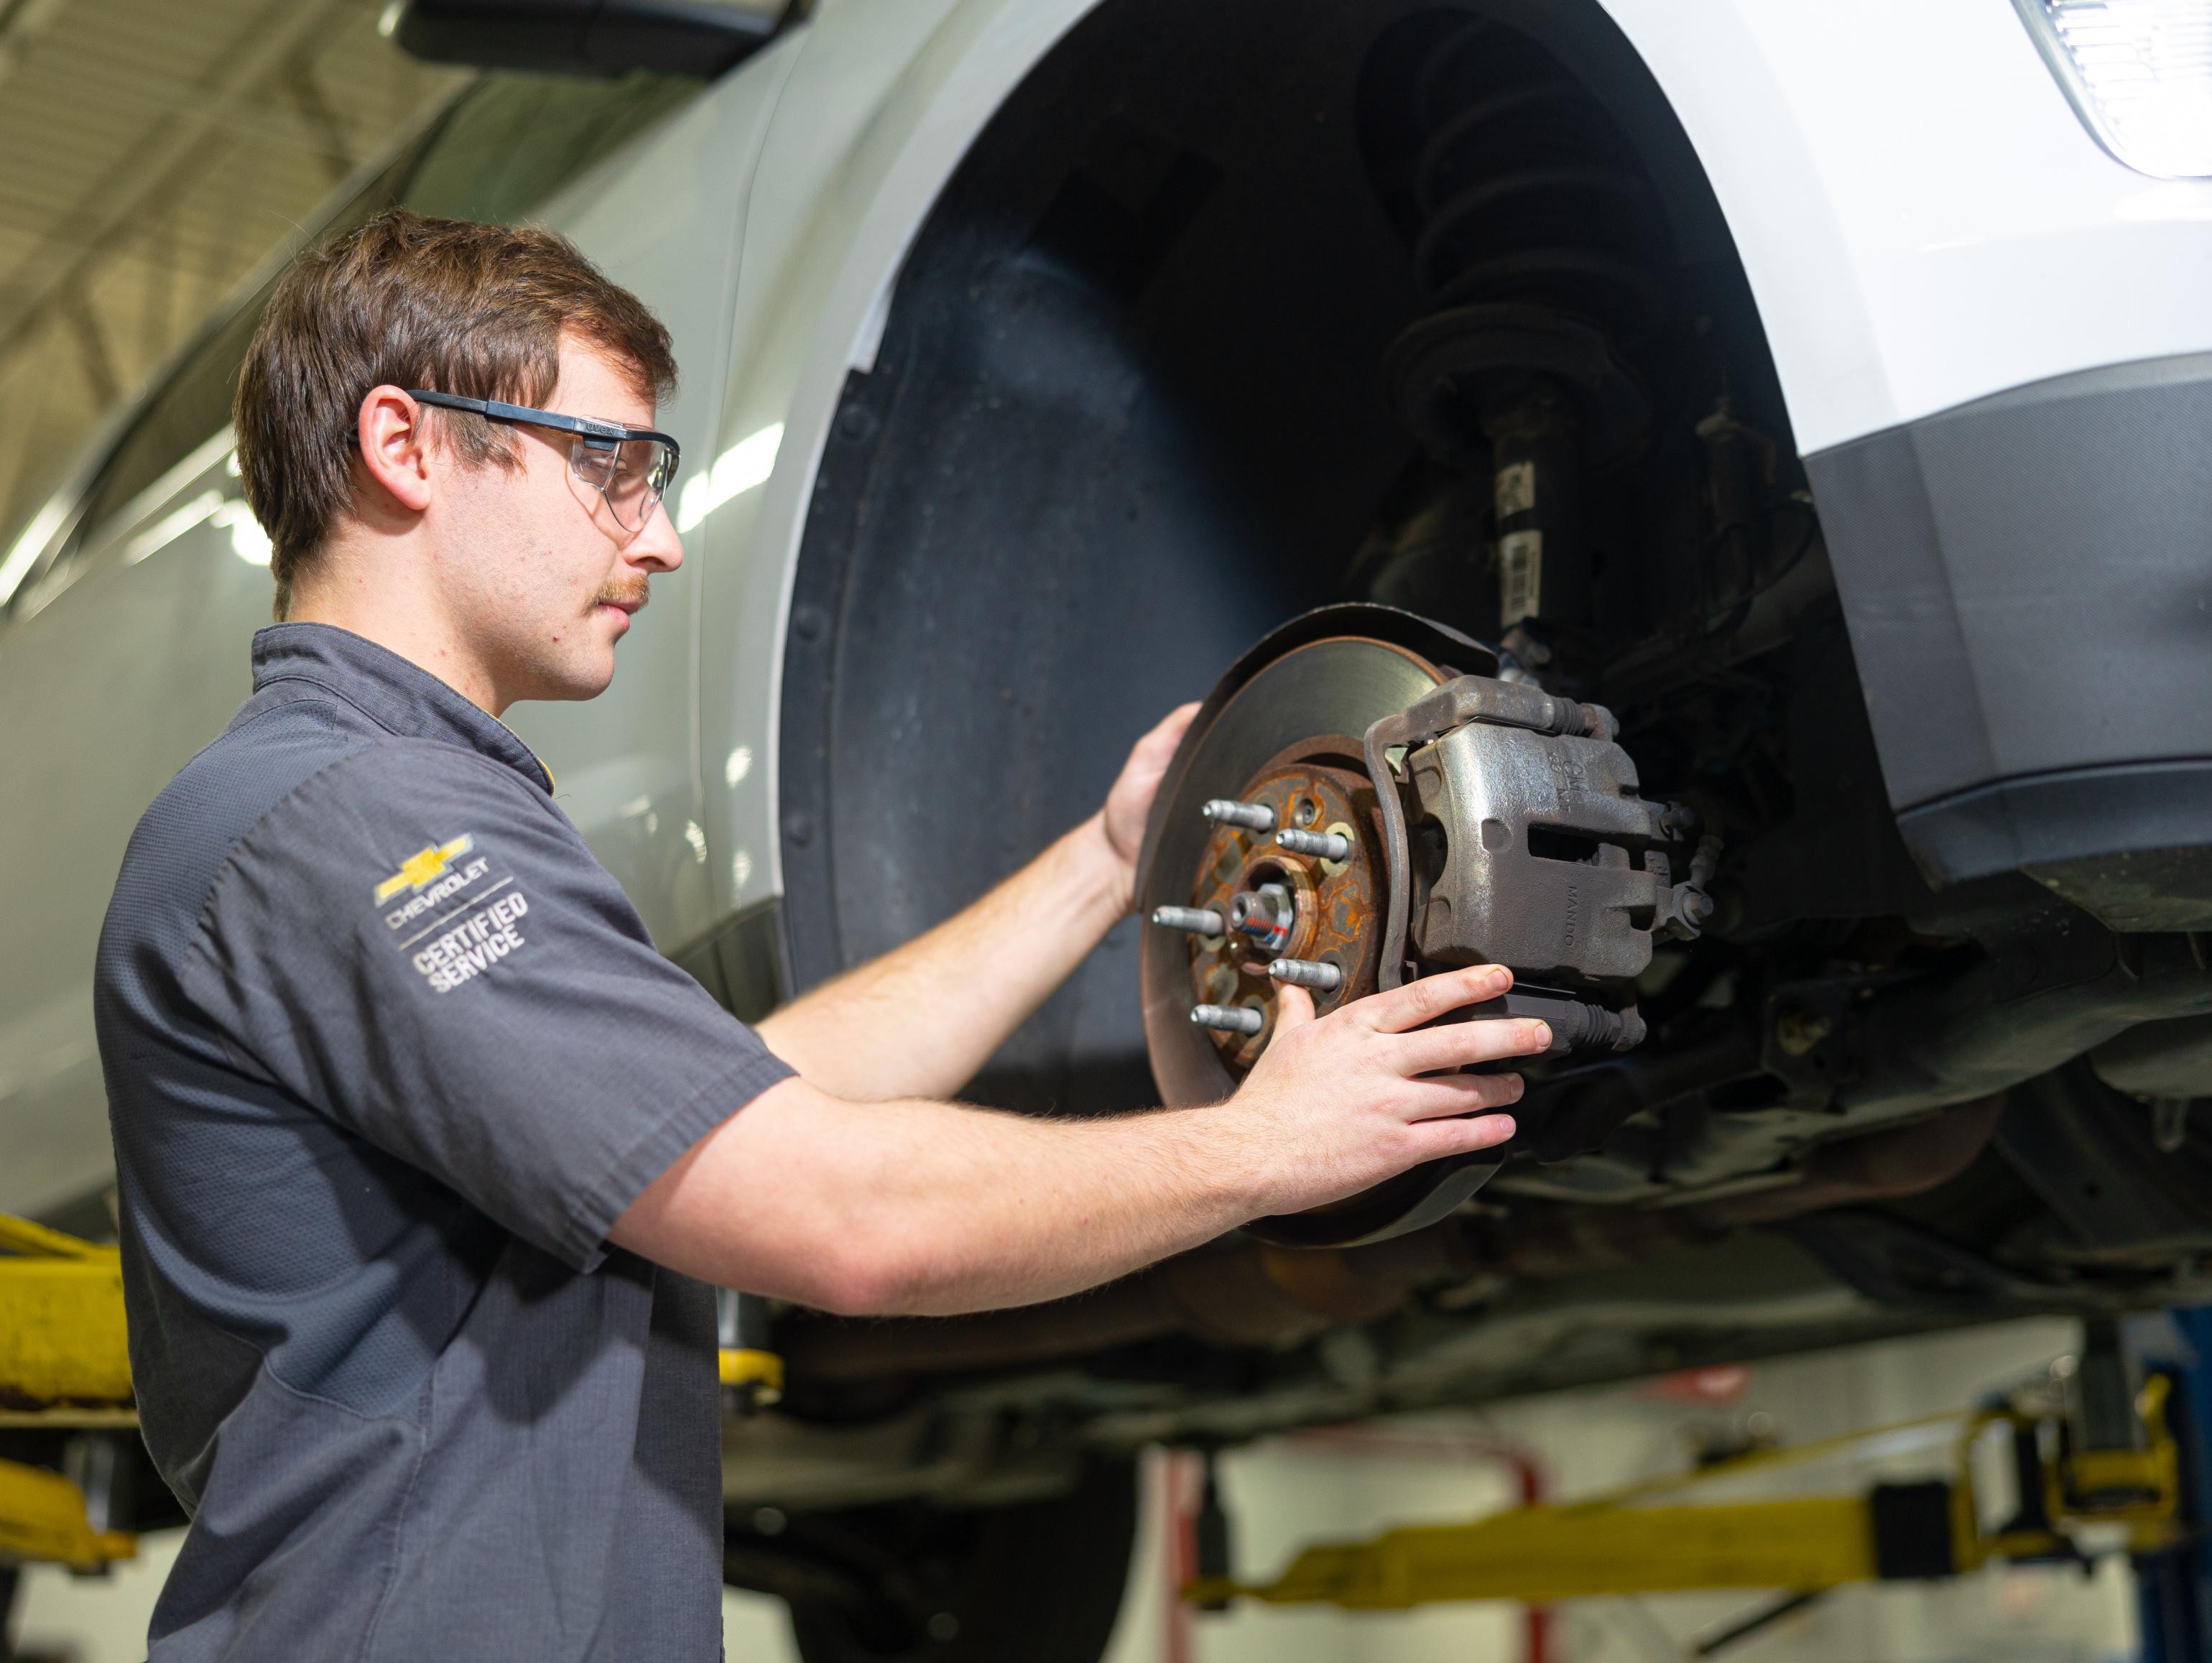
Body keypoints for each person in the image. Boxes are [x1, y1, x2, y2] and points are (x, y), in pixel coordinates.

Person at [93, 209, 1545, 1662]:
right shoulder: (356, 818)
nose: (656, 536)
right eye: (611, 465)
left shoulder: (361, 804)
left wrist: (1106, 863)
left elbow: (743, 1092)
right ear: (407, 447)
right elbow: (834, 1216)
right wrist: (1264, 1148)